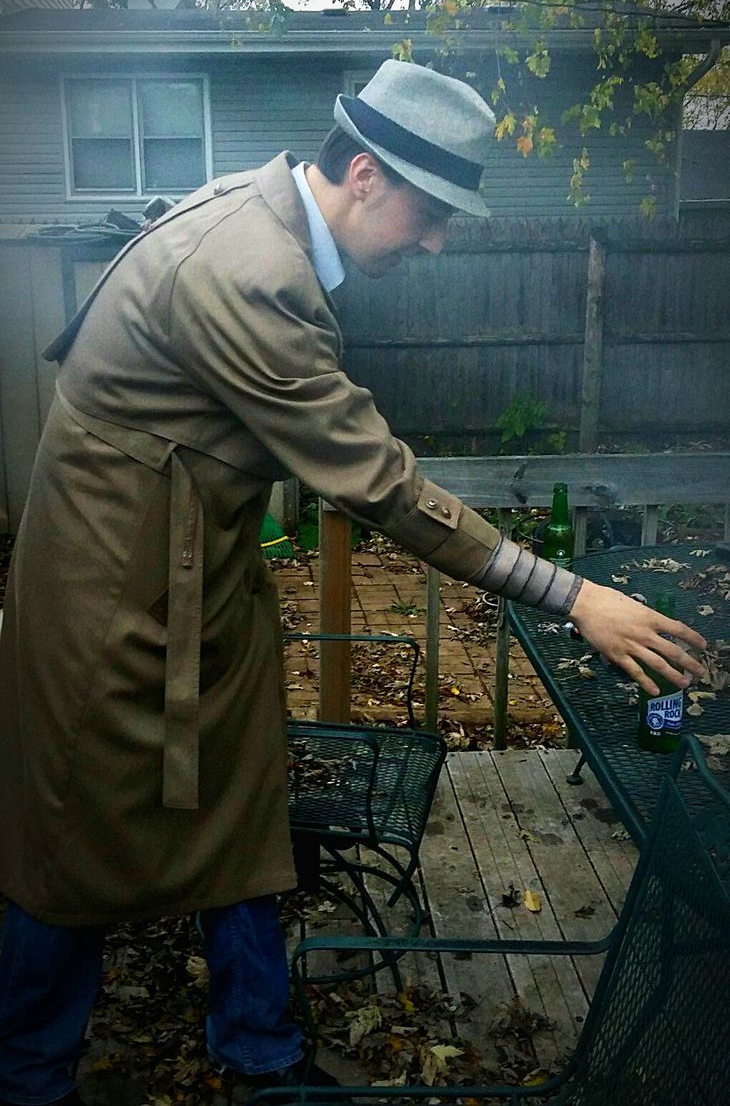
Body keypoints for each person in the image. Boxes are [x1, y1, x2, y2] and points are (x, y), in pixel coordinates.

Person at [0, 59, 705, 1106]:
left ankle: (260, 1054)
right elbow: (376, 481)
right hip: (107, 604)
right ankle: (29, 1074)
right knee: (70, 846)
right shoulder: (250, 271)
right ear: (366, 173)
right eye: (429, 214)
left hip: (200, 582)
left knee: (241, 811)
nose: (433, 244)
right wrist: (574, 595)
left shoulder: (266, 217)